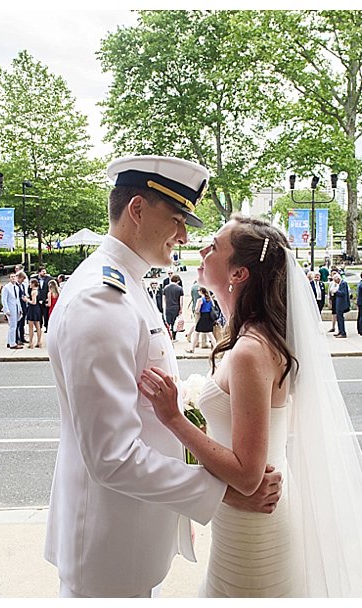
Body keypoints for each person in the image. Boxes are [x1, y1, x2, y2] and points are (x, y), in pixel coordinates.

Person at [45, 157, 282, 598]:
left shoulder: (125, 285)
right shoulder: (104, 299)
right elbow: (112, 456)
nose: (185, 236)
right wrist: (221, 493)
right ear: (137, 210)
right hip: (108, 547)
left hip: (126, 536)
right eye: (176, 219)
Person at [140, 215, 362, 596]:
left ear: (239, 274)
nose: (202, 249)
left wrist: (173, 419)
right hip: (242, 521)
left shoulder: (251, 351)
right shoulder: (255, 338)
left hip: (253, 531)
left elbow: (249, 476)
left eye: (215, 246)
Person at [187, 286, 217, 353]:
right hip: (209, 316)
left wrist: (196, 311)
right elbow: (213, 306)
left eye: (198, 291)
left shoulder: (200, 300)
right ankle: (215, 347)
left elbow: (197, 309)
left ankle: (192, 348)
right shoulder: (210, 299)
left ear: (201, 292)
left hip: (203, 316)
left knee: (197, 332)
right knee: (209, 333)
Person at [1, 272, 23, 349]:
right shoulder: (6, 288)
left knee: (13, 326)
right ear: (9, 278)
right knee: (13, 326)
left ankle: (9, 341)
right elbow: (4, 299)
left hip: (16, 308)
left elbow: (17, 299)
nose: (13, 278)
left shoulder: (16, 287)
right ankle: (12, 343)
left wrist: (20, 309)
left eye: (14, 276)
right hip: (10, 309)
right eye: (12, 277)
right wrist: (6, 310)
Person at [23, 273, 43, 349]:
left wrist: (27, 300)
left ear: (33, 284)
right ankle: (39, 341)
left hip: (33, 308)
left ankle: (31, 343)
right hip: (37, 308)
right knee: (38, 326)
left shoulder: (33, 291)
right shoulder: (38, 290)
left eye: (30, 283)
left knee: (31, 326)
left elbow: (33, 302)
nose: (29, 285)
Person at [163, 273, 185, 340]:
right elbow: (181, 300)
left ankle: (168, 336)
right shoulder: (180, 288)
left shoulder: (166, 288)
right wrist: (181, 309)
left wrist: (166, 304)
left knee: (168, 322)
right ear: (178, 281)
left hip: (168, 307)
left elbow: (164, 298)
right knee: (175, 323)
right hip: (176, 307)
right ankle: (174, 337)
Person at [330, 272, 349, 337]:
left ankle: (342, 332)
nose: (336, 282)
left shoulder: (343, 283)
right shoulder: (341, 283)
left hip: (341, 304)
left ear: (338, 279)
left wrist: (335, 291)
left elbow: (343, 293)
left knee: (340, 318)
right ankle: (340, 331)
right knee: (338, 318)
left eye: (335, 281)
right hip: (339, 303)